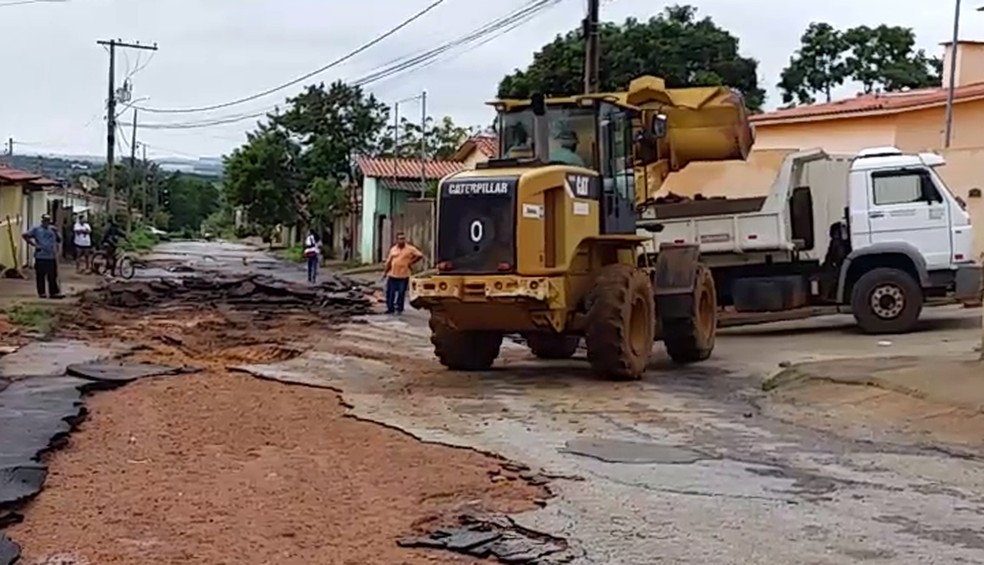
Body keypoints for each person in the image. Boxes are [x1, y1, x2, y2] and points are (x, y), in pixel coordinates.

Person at [22, 214, 64, 299]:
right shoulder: (36, 229)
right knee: (40, 275)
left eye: (48, 221)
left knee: (52, 275)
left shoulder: (52, 230)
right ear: (42, 221)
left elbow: (59, 240)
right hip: (40, 256)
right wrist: (34, 244)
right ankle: (42, 293)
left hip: (51, 256)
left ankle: (54, 292)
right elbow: (25, 235)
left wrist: (56, 232)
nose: (46, 222)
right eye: (45, 220)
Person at [383, 232, 423, 315]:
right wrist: (385, 272)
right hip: (392, 274)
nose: (401, 240)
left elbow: (420, 255)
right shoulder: (393, 249)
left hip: (404, 275)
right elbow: (389, 262)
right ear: (397, 240)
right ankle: (390, 308)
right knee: (390, 293)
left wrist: (411, 262)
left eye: (403, 239)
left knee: (401, 292)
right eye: (400, 239)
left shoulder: (410, 249)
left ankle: (399, 308)